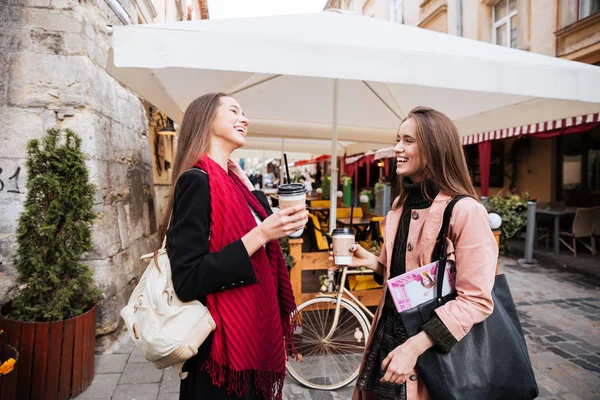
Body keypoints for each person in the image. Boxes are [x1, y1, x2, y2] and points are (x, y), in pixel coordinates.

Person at [330, 106, 498, 400]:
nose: (397, 148)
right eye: (398, 139)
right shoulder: (401, 205)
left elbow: (476, 299)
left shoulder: (465, 211)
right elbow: (412, 278)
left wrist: (414, 346)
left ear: (434, 148)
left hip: (430, 350)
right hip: (387, 340)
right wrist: (370, 260)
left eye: (408, 140)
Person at [163, 93, 308, 400]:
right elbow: (187, 280)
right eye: (234, 111)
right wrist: (261, 235)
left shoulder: (237, 185)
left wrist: (257, 197)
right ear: (206, 119)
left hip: (251, 338)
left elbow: (266, 241)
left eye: (244, 113)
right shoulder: (197, 181)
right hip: (219, 354)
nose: (245, 119)